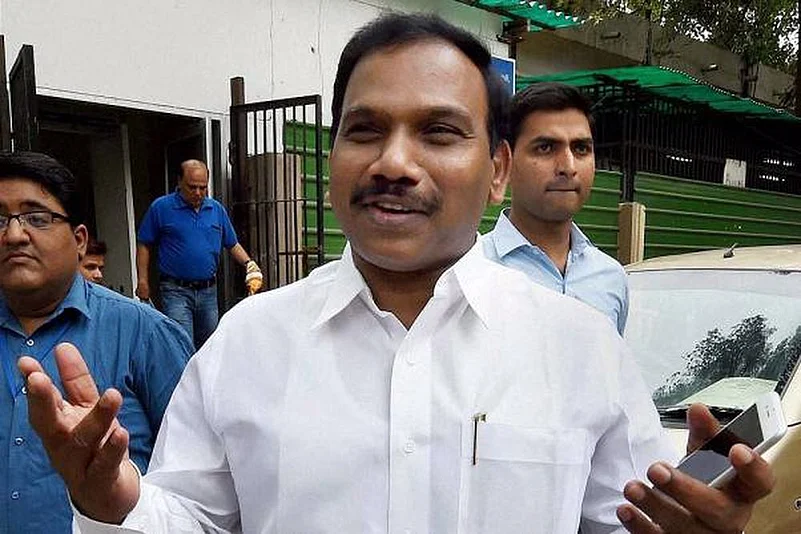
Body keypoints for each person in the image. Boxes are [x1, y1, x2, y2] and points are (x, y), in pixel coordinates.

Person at [21, 14, 773, 534]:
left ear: (497, 170)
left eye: (439, 132)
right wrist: (110, 501)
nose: (393, 163)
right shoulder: (247, 342)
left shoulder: (579, 349)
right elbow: (192, 518)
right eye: (365, 130)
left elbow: (628, 522)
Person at [0, 151, 194, 534]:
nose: (14, 235)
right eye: (0, 220)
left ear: (79, 241)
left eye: (37, 218)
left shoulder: (146, 332)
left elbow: (196, 481)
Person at [482, 82, 629, 334]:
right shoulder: (471, 272)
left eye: (581, 149)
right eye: (546, 148)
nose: (568, 167)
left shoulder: (611, 277)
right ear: (505, 162)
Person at [135, 159, 262, 348]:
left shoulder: (216, 210)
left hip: (208, 292)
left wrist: (249, 264)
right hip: (176, 291)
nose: (198, 193)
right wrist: (143, 281)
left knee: (210, 346)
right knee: (181, 344)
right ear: (179, 182)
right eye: (192, 187)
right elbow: (144, 244)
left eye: (203, 188)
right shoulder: (161, 208)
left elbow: (232, 243)